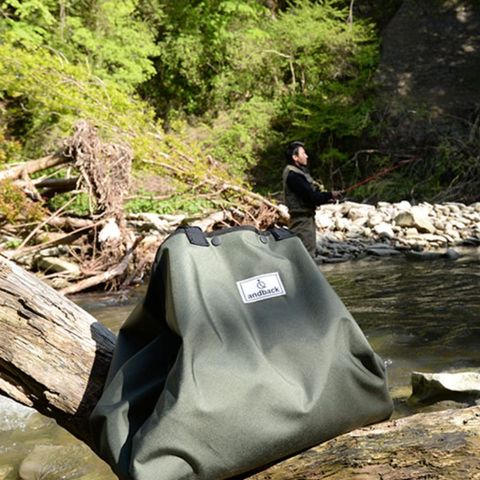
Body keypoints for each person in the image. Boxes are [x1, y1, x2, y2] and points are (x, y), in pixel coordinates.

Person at [282, 141, 342, 257]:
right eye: (303, 153)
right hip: (302, 222)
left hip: (302, 220)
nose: (306, 156)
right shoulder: (294, 175)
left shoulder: (295, 173)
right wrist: (330, 195)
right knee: (306, 257)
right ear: (295, 157)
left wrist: (327, 199)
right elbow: (311, 196)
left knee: (301, 256)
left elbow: (307, 197)